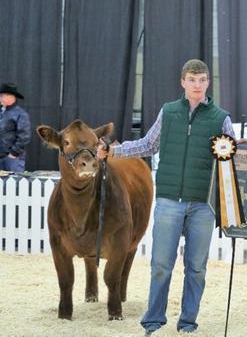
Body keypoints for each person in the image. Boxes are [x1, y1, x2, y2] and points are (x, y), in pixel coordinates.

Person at [97, 59, 236, 336]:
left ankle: (187, 323)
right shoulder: (169, 112)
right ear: (183, 82)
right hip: (169, 201)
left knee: (196, 268)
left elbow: (231, 162)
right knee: (161, 264)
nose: (197, 85)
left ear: (208, 83)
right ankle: (153, 322)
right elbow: (148, 144)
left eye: (202, 80)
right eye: (192, 80)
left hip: (203, 205)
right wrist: (114, 151)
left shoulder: (221, 118)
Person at [0, 83, 31, 172]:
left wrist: (13, 153)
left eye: (1, 96)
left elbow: (24, 136)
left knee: (14, 183)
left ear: (11, 97)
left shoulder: (21, 114)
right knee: (0, 184)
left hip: (13, 158)